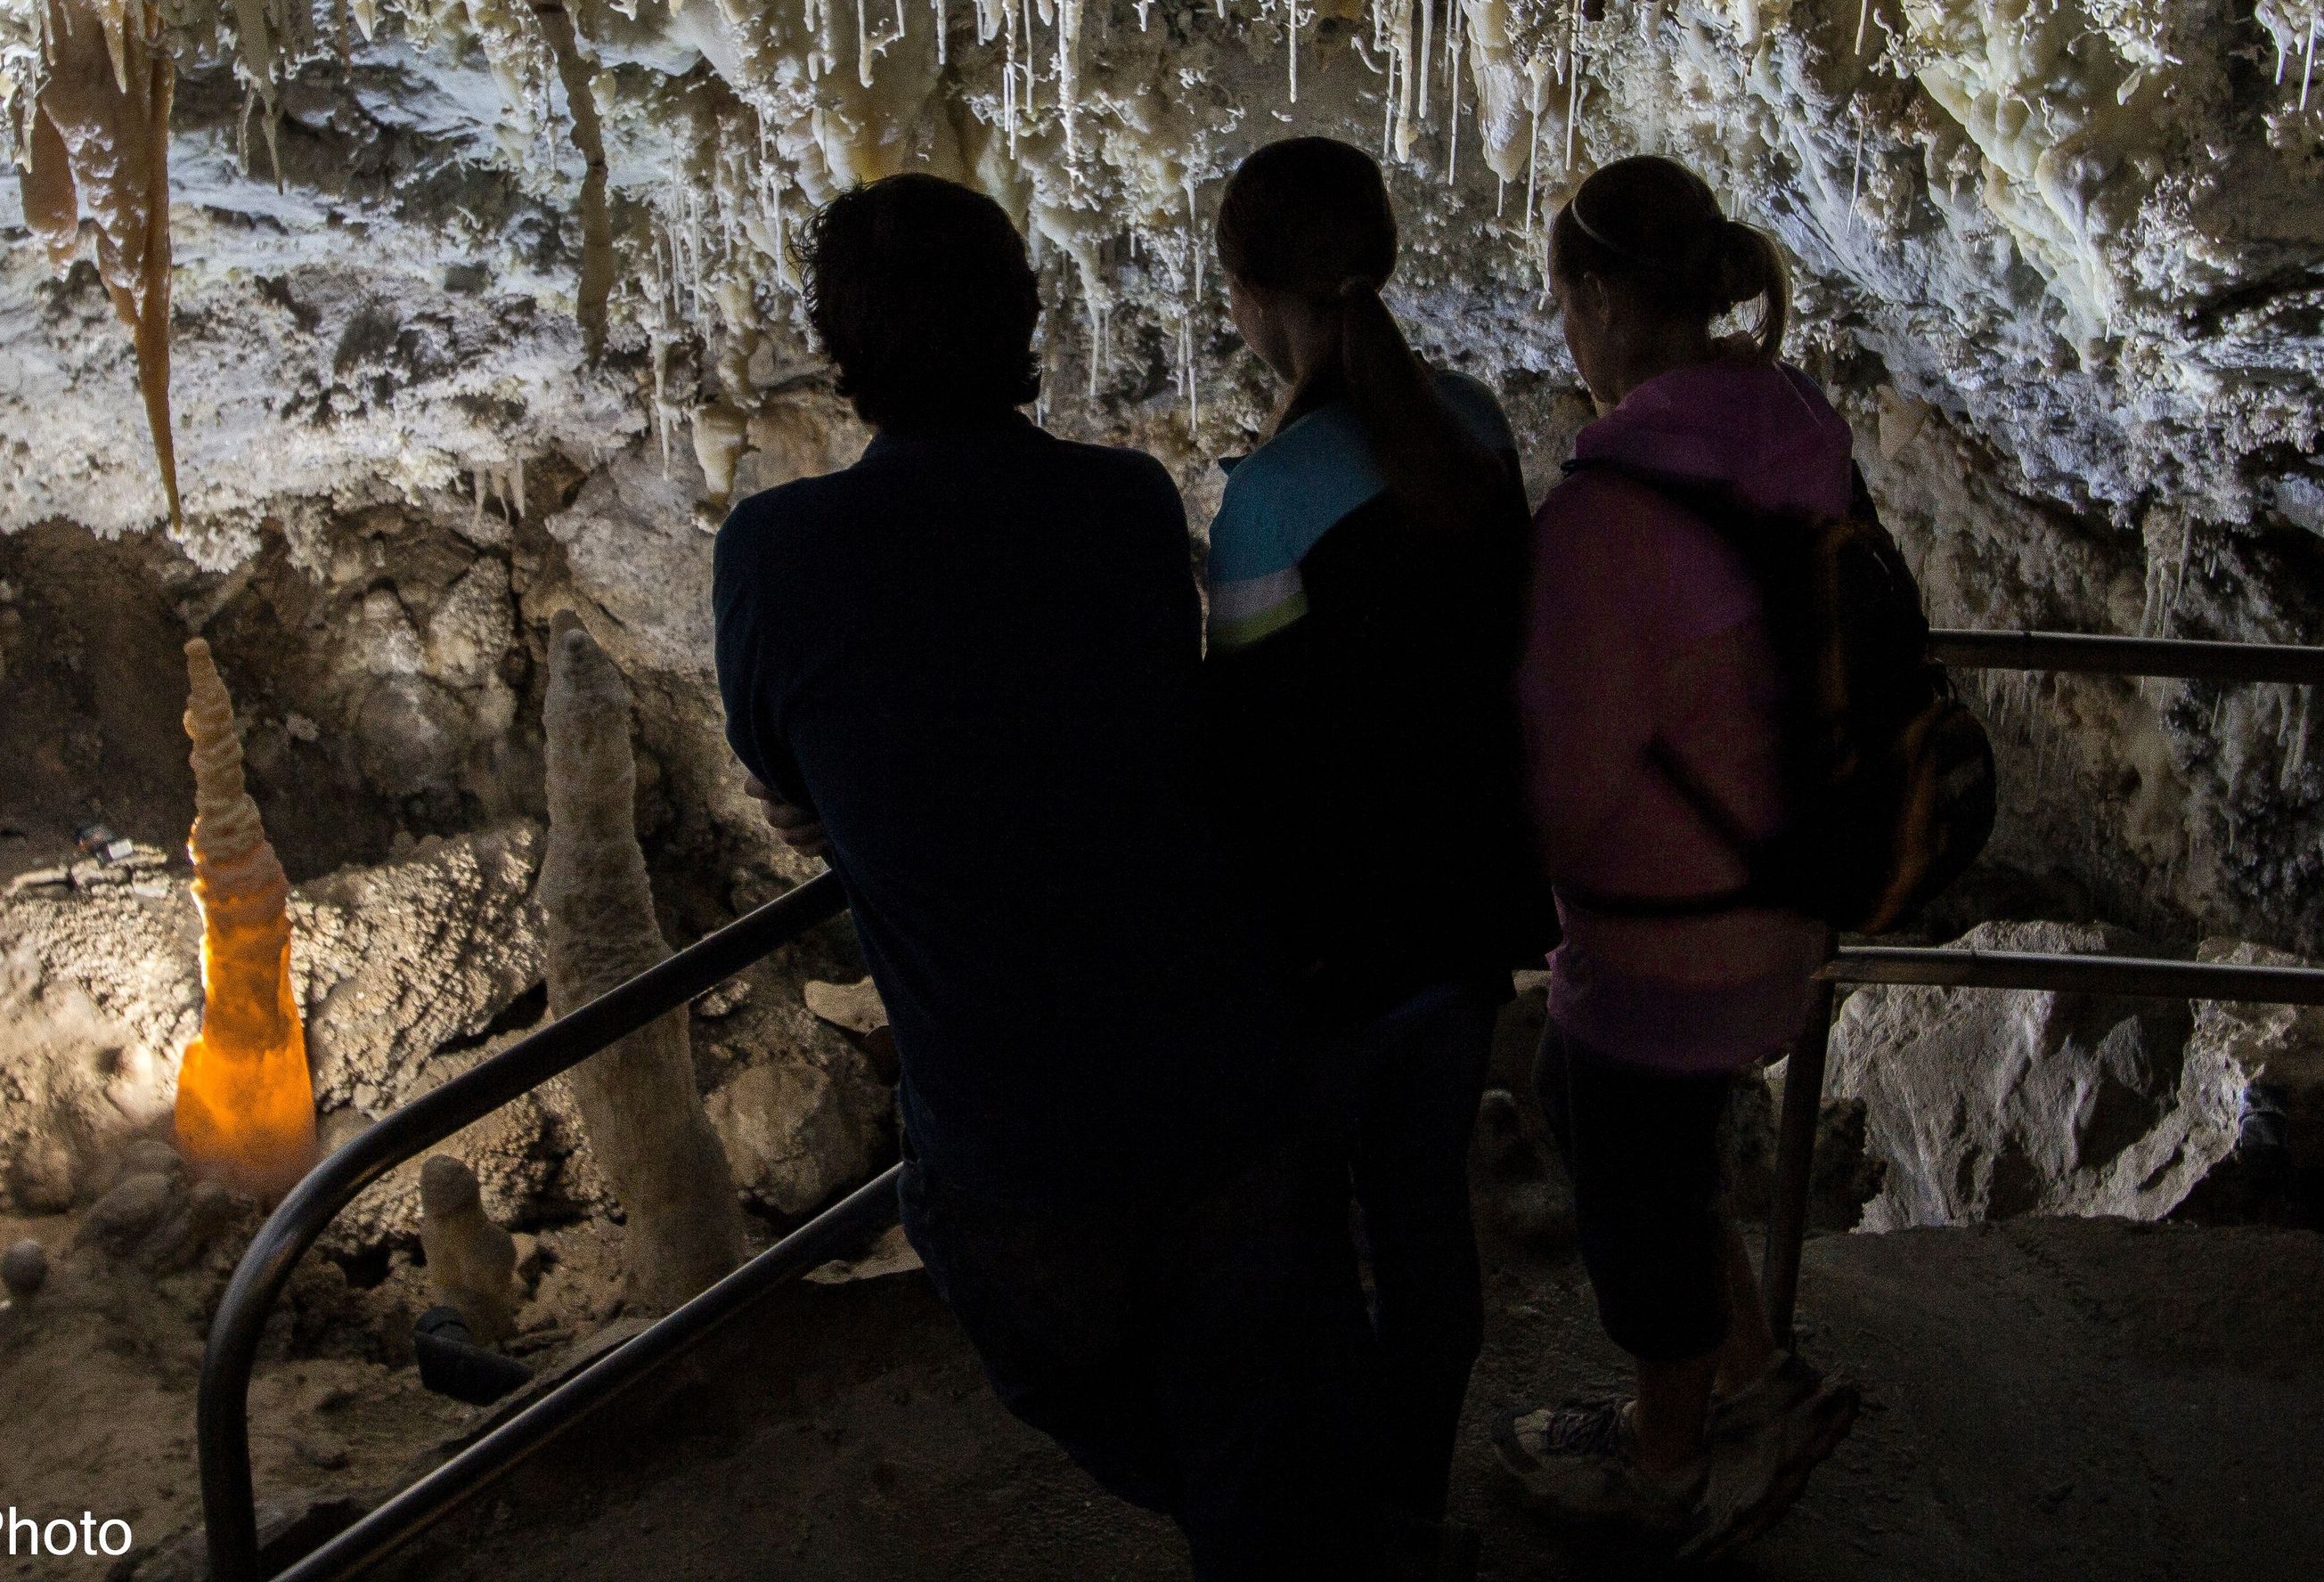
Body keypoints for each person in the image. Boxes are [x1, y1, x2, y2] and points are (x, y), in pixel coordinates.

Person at [711, 173, 1396, 1581]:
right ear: (1024, 320)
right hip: (1224, 1084)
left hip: (1011, 1152)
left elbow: (788, 770)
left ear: (839, 353)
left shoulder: (775, 556)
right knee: (1262, 1439)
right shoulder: (1123, 507)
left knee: (1130, 1409)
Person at [1488, 156, 1863, 1556]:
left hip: (1666, 935)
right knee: (1630, 1137)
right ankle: (1761, 1380)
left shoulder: (1609, 515)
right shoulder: (1795, 423)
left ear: (1593, 299)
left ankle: (1671, 1459)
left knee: (1629, 1186)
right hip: (1795, 896)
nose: (1560, 336)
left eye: (1560, 306)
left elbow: (1565, 795)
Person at [1199, 136, 1545, 1526]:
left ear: (1249, 296)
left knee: (1304, 1236)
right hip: (1465, 919)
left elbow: (1251, 746)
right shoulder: (1478, 427)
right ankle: (1413, 1495)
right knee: (1420, 1212)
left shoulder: (1270, 500)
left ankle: (1338, 1522)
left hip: (1332, 949)